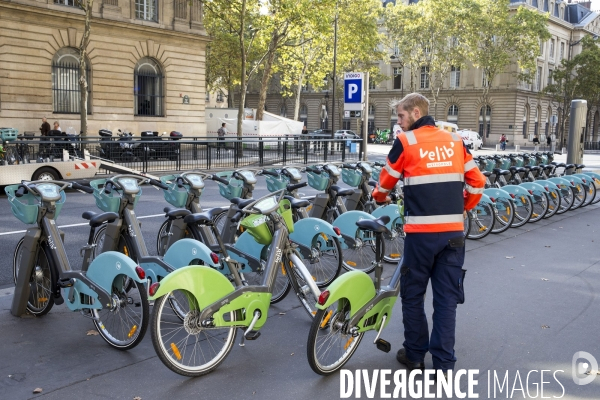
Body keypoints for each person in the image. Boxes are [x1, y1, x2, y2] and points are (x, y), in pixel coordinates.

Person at [372, 93, 485, 374]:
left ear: (415, 112)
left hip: (421, 236)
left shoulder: (406, 142)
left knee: (413, 296)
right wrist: (462, 208)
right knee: (446, 300)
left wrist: (380, 197)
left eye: (400, 116)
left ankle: (415, 355)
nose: (398, 123)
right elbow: (478, 182)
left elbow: (383, 186)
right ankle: (445, 362)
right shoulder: (455, 141)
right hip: (453, 236)